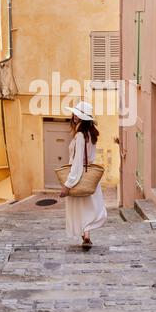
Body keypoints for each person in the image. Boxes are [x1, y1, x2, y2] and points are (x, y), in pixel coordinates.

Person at [59, 101, 107, 249]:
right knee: (87, 207)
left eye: (77, 114)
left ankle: (85, 234)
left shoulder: (80, 135)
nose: (74, 116)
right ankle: (86, 234)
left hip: (79, 176)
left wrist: (68, 184)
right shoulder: (91, 134)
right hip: (89, 177)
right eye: (74, 113)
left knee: (79, 207)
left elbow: (78, 162)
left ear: (82, 118)